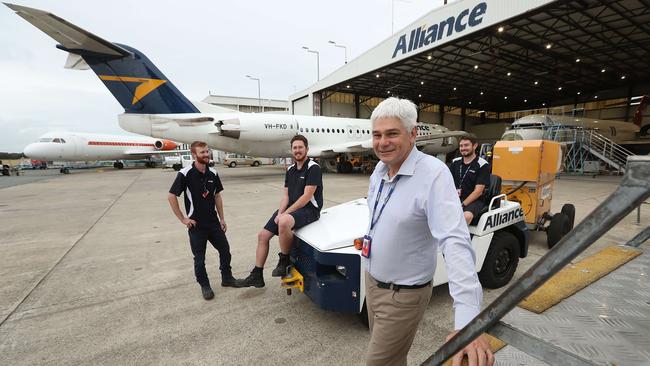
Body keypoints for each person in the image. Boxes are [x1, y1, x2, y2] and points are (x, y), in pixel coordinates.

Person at [364, 97, 493, 366]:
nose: (382, 142)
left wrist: (467, 322)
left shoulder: (433, 174)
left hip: (402, 295)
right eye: (377, 134)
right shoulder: (379, 170)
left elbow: (455, 241)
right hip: (373, 284)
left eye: (391, 134)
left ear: (412, 134)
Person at [237, 135, 323, 287]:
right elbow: (285, 196)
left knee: (283, 221)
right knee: (263, 235)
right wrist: (280, 212)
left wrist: (284, 215)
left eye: (300, 147)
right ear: (291, 150)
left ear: (307, 149)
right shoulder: (290, 170)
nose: (297, 150)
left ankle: (284, 260)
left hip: (310, 209)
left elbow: (306, 197)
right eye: (295, 148)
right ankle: (257, 274)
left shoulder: (313, 168)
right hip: (292, 208)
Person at [168, 141, 241, 300]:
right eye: (202, 152)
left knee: (225, 251)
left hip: (213, 223)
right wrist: (183, 219)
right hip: (196, 226)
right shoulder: (185, 173)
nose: (206, 155)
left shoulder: (213, 173)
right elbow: (171, 196)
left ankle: (227, 278)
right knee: (200, 259)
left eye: (207, 152)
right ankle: (204, 285)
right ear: (194, 155)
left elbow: (217, 196)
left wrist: (222, 218)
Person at [450, 135, 491, 225]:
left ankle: (459, 238)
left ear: (474, 146)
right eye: (461, 146)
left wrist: (462, 205)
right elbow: (446, 183)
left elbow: (478, 191)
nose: (463, 148)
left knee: (465, 216)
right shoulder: (455, 162)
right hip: (456, 198)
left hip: (474, 200)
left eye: (466, 145)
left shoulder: (482, 164)